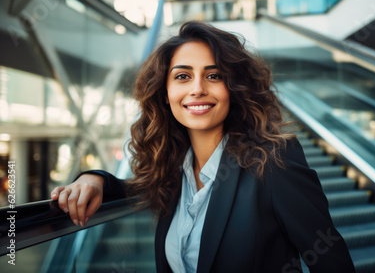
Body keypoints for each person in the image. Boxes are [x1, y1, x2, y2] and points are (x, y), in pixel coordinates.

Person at [51, 21, 355, 273]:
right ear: (165, 91)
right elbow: (135, 189)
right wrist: (95, 178)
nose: (197, 88)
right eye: (183, 76)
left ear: (234, 89)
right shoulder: (171, 169)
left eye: (214, 75)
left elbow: (332, 262)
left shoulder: (275, 160)